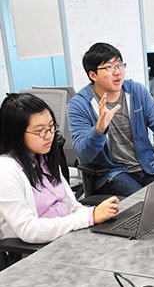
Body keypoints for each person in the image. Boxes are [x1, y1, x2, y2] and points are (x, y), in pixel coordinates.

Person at [68, 43, 154, 197]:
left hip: (148, 167)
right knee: (148, 203)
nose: (117, 72)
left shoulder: (136, 91)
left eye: (120, 65)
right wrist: (99, 129)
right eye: (109, 68)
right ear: (93, 75)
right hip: (113, 174)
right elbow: (83, 155)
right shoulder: (80, 105)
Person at [0, 93, 119, 246]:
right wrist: (88, 217)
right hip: (39, 251)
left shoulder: (44, 159)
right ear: (15, 134)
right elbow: (29, 230)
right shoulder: (6, 171)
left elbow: (71, 207)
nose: (49, 135)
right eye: (40, 131)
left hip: (68, 238)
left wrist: (98, 213)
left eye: (51, 127)